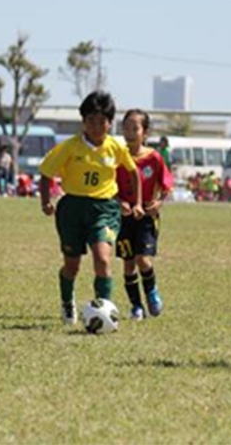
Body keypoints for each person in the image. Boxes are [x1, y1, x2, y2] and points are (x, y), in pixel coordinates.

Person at [39, 91, 144, 325]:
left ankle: (103, 311)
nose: (97, 127)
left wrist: (136, 202)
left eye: (102, 121)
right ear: (83, 121)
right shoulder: (70, 147)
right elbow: (46, 173)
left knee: (102, 258)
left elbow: (133, 172)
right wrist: (45, 201)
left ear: (110, 123)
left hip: (104, 209)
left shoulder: (115, 147)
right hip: (72, 209)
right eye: (91, 121)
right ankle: (67, 302)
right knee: (72, 265)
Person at [116, 109, 173, 320]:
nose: (130, 132)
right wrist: (118, 201)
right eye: (126, 127)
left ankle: (151, 292)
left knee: (143, 259)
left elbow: (167, 185)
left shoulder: (154, 158)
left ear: (145, 133)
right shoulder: (118, 157)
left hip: (147, 216)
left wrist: (159, 202)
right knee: (128, 262)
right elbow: (110, 185)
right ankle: (136, 306)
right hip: (123, 216)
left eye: (135, 128)